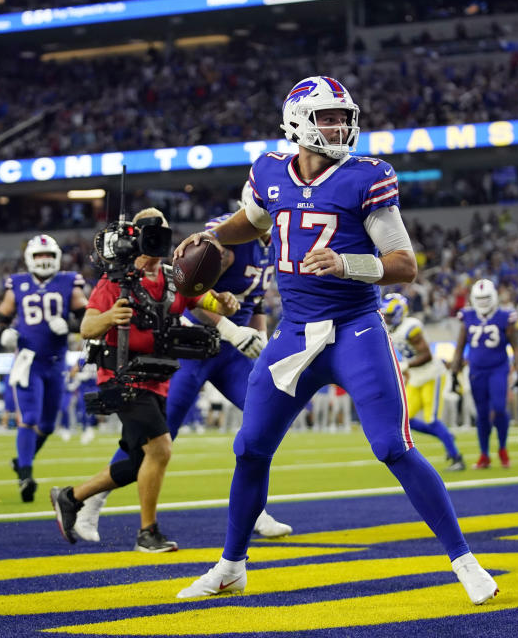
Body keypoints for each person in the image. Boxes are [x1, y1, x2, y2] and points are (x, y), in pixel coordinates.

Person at [173, 77, 498, 605]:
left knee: (393, 446)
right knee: (249, 449)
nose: (339, 126)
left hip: (355, 329)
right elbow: (249, 221)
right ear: (298, 121)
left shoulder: (367, 177)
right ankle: (232, 566)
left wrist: (348, 264)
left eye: (342, 116)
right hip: (294, 332)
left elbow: (404, 265)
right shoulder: (269, 172)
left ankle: (464, 559)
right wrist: (212, 236)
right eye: (327, 117)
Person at [70, 191, 293, 543]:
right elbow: (190, 295)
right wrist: (231, 329)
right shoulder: (224, 236)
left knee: (263, 418)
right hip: (197, 348)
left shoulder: (278, 240)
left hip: (233, 353)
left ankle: (254, 510)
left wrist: (259, 340)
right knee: (158, 437)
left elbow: (256, 300)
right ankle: (93, 498)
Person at [51, 208, 240, 552]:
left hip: (158, 378)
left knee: (139, 462)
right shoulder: (115, 281)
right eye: (153, 233)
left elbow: (205, 301)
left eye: (164, 233)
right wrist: (110, 316)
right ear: (135, 236)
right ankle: (147, 532)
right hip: (122, 376)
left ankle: (70, 497)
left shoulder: (175, 278)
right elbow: (87, 327)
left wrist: (225, 303)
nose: (158, 241)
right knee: (161, 448)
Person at [0, 234, 89, 502]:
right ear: (29, 258)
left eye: (49, 255)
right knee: (29, 417)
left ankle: (22, 460)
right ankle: (26, 475)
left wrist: (70, 326)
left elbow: (86, 316)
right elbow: (2, 317)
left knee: (48, 424)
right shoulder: (17, 283)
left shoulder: (68, 281)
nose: (44, 260)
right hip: (28, 361)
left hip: (57, 361)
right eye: (39, 256)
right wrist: (6, 333)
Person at [382, 292, 464, 470]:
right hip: (417, 377)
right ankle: (446, 435)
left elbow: (426, 355)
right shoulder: (393, 329)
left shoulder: (411, 327)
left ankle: (456, 457)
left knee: (432, 420)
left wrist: (405, 366)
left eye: (388, 315)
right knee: (405, 419)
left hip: (431, 374)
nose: (386, 318)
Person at [450, 279, 518, 469]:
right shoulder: (467, 315)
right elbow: (460, 346)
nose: (482, 301)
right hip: (476, 370)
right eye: (479, 298)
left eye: (486, 297)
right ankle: (484, 455)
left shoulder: (506, 316)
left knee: (499, 407)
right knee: (481, 415)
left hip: (498, 368)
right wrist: (453, 371)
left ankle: (503, 448)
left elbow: (516, 346)